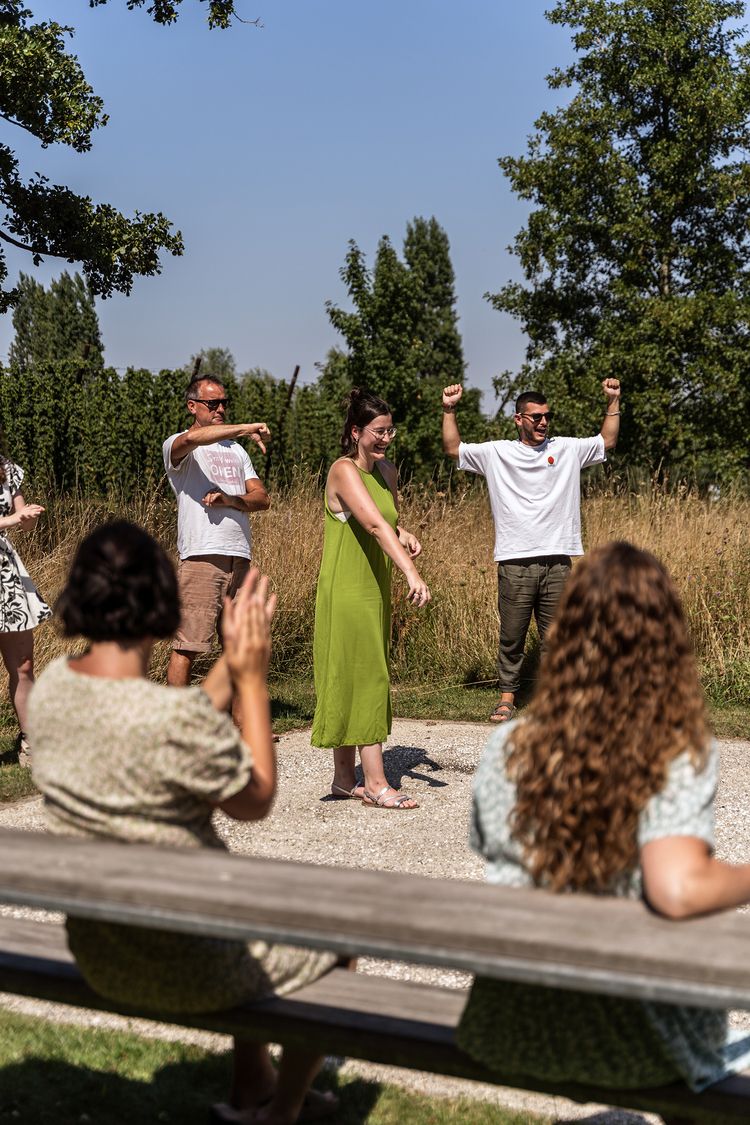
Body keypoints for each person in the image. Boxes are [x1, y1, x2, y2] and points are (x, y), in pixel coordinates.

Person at [29, 521, 340, 1125]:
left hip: (101, 951)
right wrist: (251, 678)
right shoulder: (169, 721)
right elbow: (258, 799)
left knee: (244, 912)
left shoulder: (50, 691)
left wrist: (231, 653)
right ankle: (281, 1113)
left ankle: (252, 1085)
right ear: (161, 602)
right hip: (187, 962)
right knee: (337, 952)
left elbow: (173, 718)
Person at [456, 541, 750, 1107]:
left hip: (508, 1026)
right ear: (667, 642)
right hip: (633, 1041)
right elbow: (677, 888)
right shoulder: (673, 751)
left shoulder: (506, 747)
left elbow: (486, 846)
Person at [442, 379, 621, 723]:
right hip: (514, 560)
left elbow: (607, 440)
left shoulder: (566, 449)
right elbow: (454, 449)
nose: (543, 422)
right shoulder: (497, 453)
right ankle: (507, 699)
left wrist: (613, 400)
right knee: (512, 636)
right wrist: (449, 409)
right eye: (535, 416)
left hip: (558, 559)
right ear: (518, 419)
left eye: (546, 416)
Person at [312, 388, 431, 811]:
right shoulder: (343, 471)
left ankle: (345, 780)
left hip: (373, 586)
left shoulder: (388, 472)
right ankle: (377, 783)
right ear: (355, 431)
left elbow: (388, 523)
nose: (385, 439)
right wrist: (411, 572)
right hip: (346, 588)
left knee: (356, 671)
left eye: (390, 431)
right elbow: (375, 527)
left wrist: (406, 533)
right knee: (366, 676)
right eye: (377, 432)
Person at [164, 376, 271, 691]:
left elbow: (262, 498)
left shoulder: (236, 451)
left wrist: (231, 500)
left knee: (238, 645)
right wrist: (244, 427)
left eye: (225, 402)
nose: (221, 408)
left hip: (239, 557)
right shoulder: (177, 444)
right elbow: (196, 440)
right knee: (189, 644)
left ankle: (242, 727)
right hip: (201, 557)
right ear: (192, 406)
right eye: (213, 403)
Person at [0, 436, 51, 762]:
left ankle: (29, 741)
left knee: (23, 664)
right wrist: (12, 520)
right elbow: (11, 520)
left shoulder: (8, 470)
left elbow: (24, 525)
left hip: (5, 574)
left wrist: (28, 517)